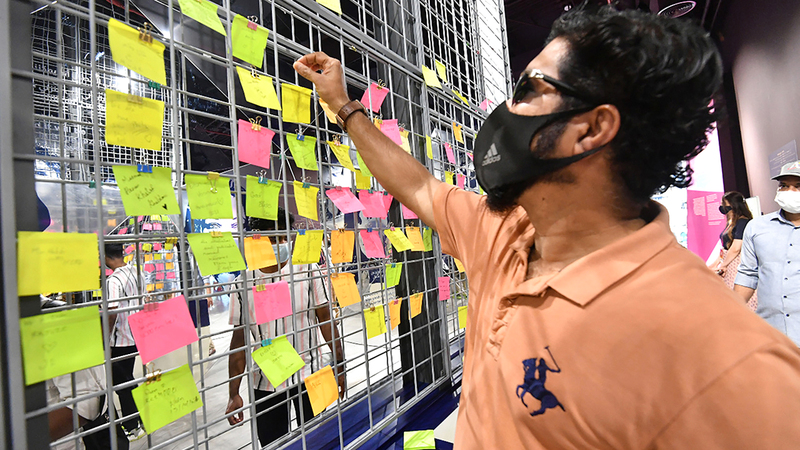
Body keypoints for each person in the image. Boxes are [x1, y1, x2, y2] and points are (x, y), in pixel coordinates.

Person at [294, 4, 800, 448]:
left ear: (590, 129)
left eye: (528, 89)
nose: (507, 110)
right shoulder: (503, 230)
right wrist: (342, 105)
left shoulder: (725, 361)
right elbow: (421, 187)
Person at [225, 209, 345, 447]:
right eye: (273, 238)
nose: (280, 243)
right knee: (273, 443)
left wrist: (340, 365)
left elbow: (325, 320)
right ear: (258, 239)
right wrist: (233, 392)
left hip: (310, 375)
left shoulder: (307, 271)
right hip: (265, 382)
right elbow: (239, 342)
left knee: (317, 440)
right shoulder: (243, 284)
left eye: (283, 237)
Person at [42, 295, 129, 450]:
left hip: (72, 441)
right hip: (123, 341)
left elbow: (88, 403)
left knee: (124, 386)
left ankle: (133, 424)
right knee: (125, 385)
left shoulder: (56, 319)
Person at [735, 161, 800, 346]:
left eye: (798, 186)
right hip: (772, 334)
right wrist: (731, 313)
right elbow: (748, 274)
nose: (790, 191)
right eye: (784, 185)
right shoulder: (757, 227)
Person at [104, 243, 145, 441]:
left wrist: (104, 339)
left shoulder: (113, 280)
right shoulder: (137, 272)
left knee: (122, 384)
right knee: (126, 378)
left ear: (105, 256)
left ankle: (132, 425)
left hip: (120, 340)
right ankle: (138, 420)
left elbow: (112, 311)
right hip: (136, 335)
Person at [708, 191, 757, 310]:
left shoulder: (742, 222)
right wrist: (716, 264)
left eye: (724, 204)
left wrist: (723, 265)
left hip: (736, 264)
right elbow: (726, 248)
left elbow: (736, 248)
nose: (722, 207)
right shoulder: (731, 222)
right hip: (729, 262)